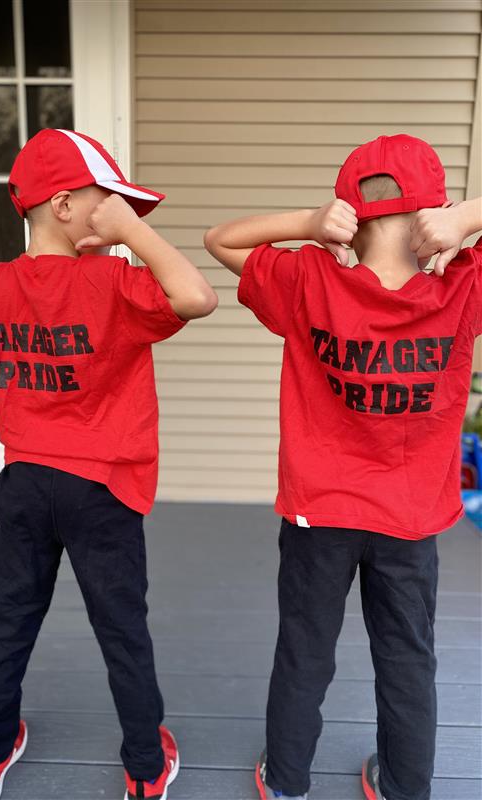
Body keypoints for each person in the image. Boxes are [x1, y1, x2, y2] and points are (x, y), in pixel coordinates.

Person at [0, 128, 218, 800]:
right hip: (102, 489)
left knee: (8, 620)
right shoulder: (113, 280)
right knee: (122, 629)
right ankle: (147, 769)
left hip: (25, 484)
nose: (118, 218)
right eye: (105, 203)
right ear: (61, 205)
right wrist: (132, 235)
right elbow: (198, 297)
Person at [204, 134, 482, 800]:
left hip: (318, 514)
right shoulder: (461, 288)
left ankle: (287, 782)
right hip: (409, 522)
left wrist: (306, 223)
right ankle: (405, 787)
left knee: (305, 649)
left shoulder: (309, 279)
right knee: (408, 658)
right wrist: (469, 218)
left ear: (347, 215)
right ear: (433, 212)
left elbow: (220, 240)